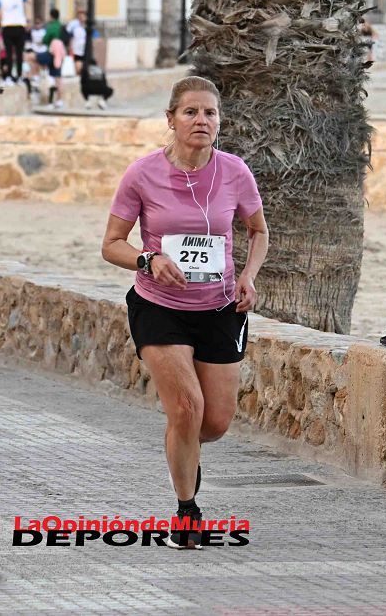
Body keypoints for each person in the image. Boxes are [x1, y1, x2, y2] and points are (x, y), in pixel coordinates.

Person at [101, 76, 269, 549]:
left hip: (220, 307)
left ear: (220, 121)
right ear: (171, 119)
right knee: (187, 407)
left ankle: (185, 442)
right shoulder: (142, 174)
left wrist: (249, 276)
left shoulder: (235, 172)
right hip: (159, 306)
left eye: (210, 113)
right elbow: (111, 244)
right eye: (191, 112)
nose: (201, 121)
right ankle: (187, 511)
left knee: (213, 422)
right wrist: (147, 259)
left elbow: (258, 231)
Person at [0, 0, 28, 85]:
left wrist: (1, 25)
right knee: (19, 53)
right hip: (19, 26)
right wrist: (26, 22)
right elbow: (24, 8)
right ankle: (19, 76)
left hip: (7, 26)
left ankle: (9, 77)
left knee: (9, 53)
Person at [67, 10, 88, 75]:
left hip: (86, 50)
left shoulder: (88, 27)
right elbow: (70, 37)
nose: (81, 18)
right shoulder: (74, 26)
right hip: (76, 50)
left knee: (84, 67)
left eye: (83, 16)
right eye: (80, 16)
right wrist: (70, 47)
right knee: (78, 67)